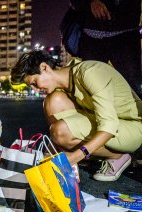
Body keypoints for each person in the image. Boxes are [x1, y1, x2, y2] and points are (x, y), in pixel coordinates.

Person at [11, 50, 142, 181]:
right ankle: (77, 160)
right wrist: (50, 152)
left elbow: (109, 125)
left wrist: (75, 156)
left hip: (131, 127)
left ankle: (117, 156)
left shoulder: (90, 73)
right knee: (53, 101)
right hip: (104, 121)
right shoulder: (66, 80)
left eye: (34, 83)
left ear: (44, 67)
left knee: (61, 131)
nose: (35, 89)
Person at [71, 0, 141, 97]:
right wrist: (91, 2)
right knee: (91, 89)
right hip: (92, 37)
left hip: (126, 35)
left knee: (135, 88)